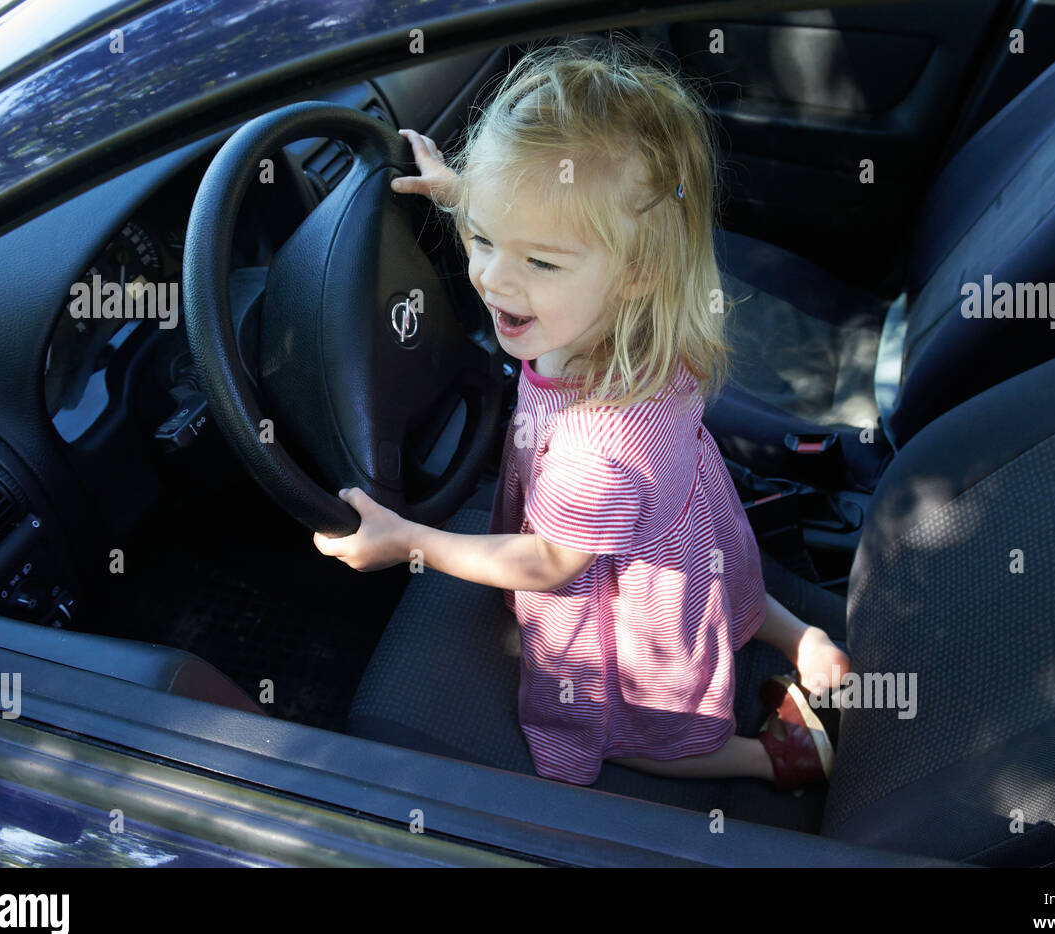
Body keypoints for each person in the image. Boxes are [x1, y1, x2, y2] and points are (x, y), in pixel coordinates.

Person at [312, 38, 850, 791]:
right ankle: (806, 638)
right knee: (730, 591)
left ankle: (773, 759)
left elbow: (545, 565)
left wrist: (410, 541)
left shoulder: (597, 450)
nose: (493, 276)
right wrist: (463, 195)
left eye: (539, 262)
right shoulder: (648, 319)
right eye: (485, 238)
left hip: (627, 592)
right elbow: (545, 225)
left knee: (630, 737)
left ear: (635, 271)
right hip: (688, 537)